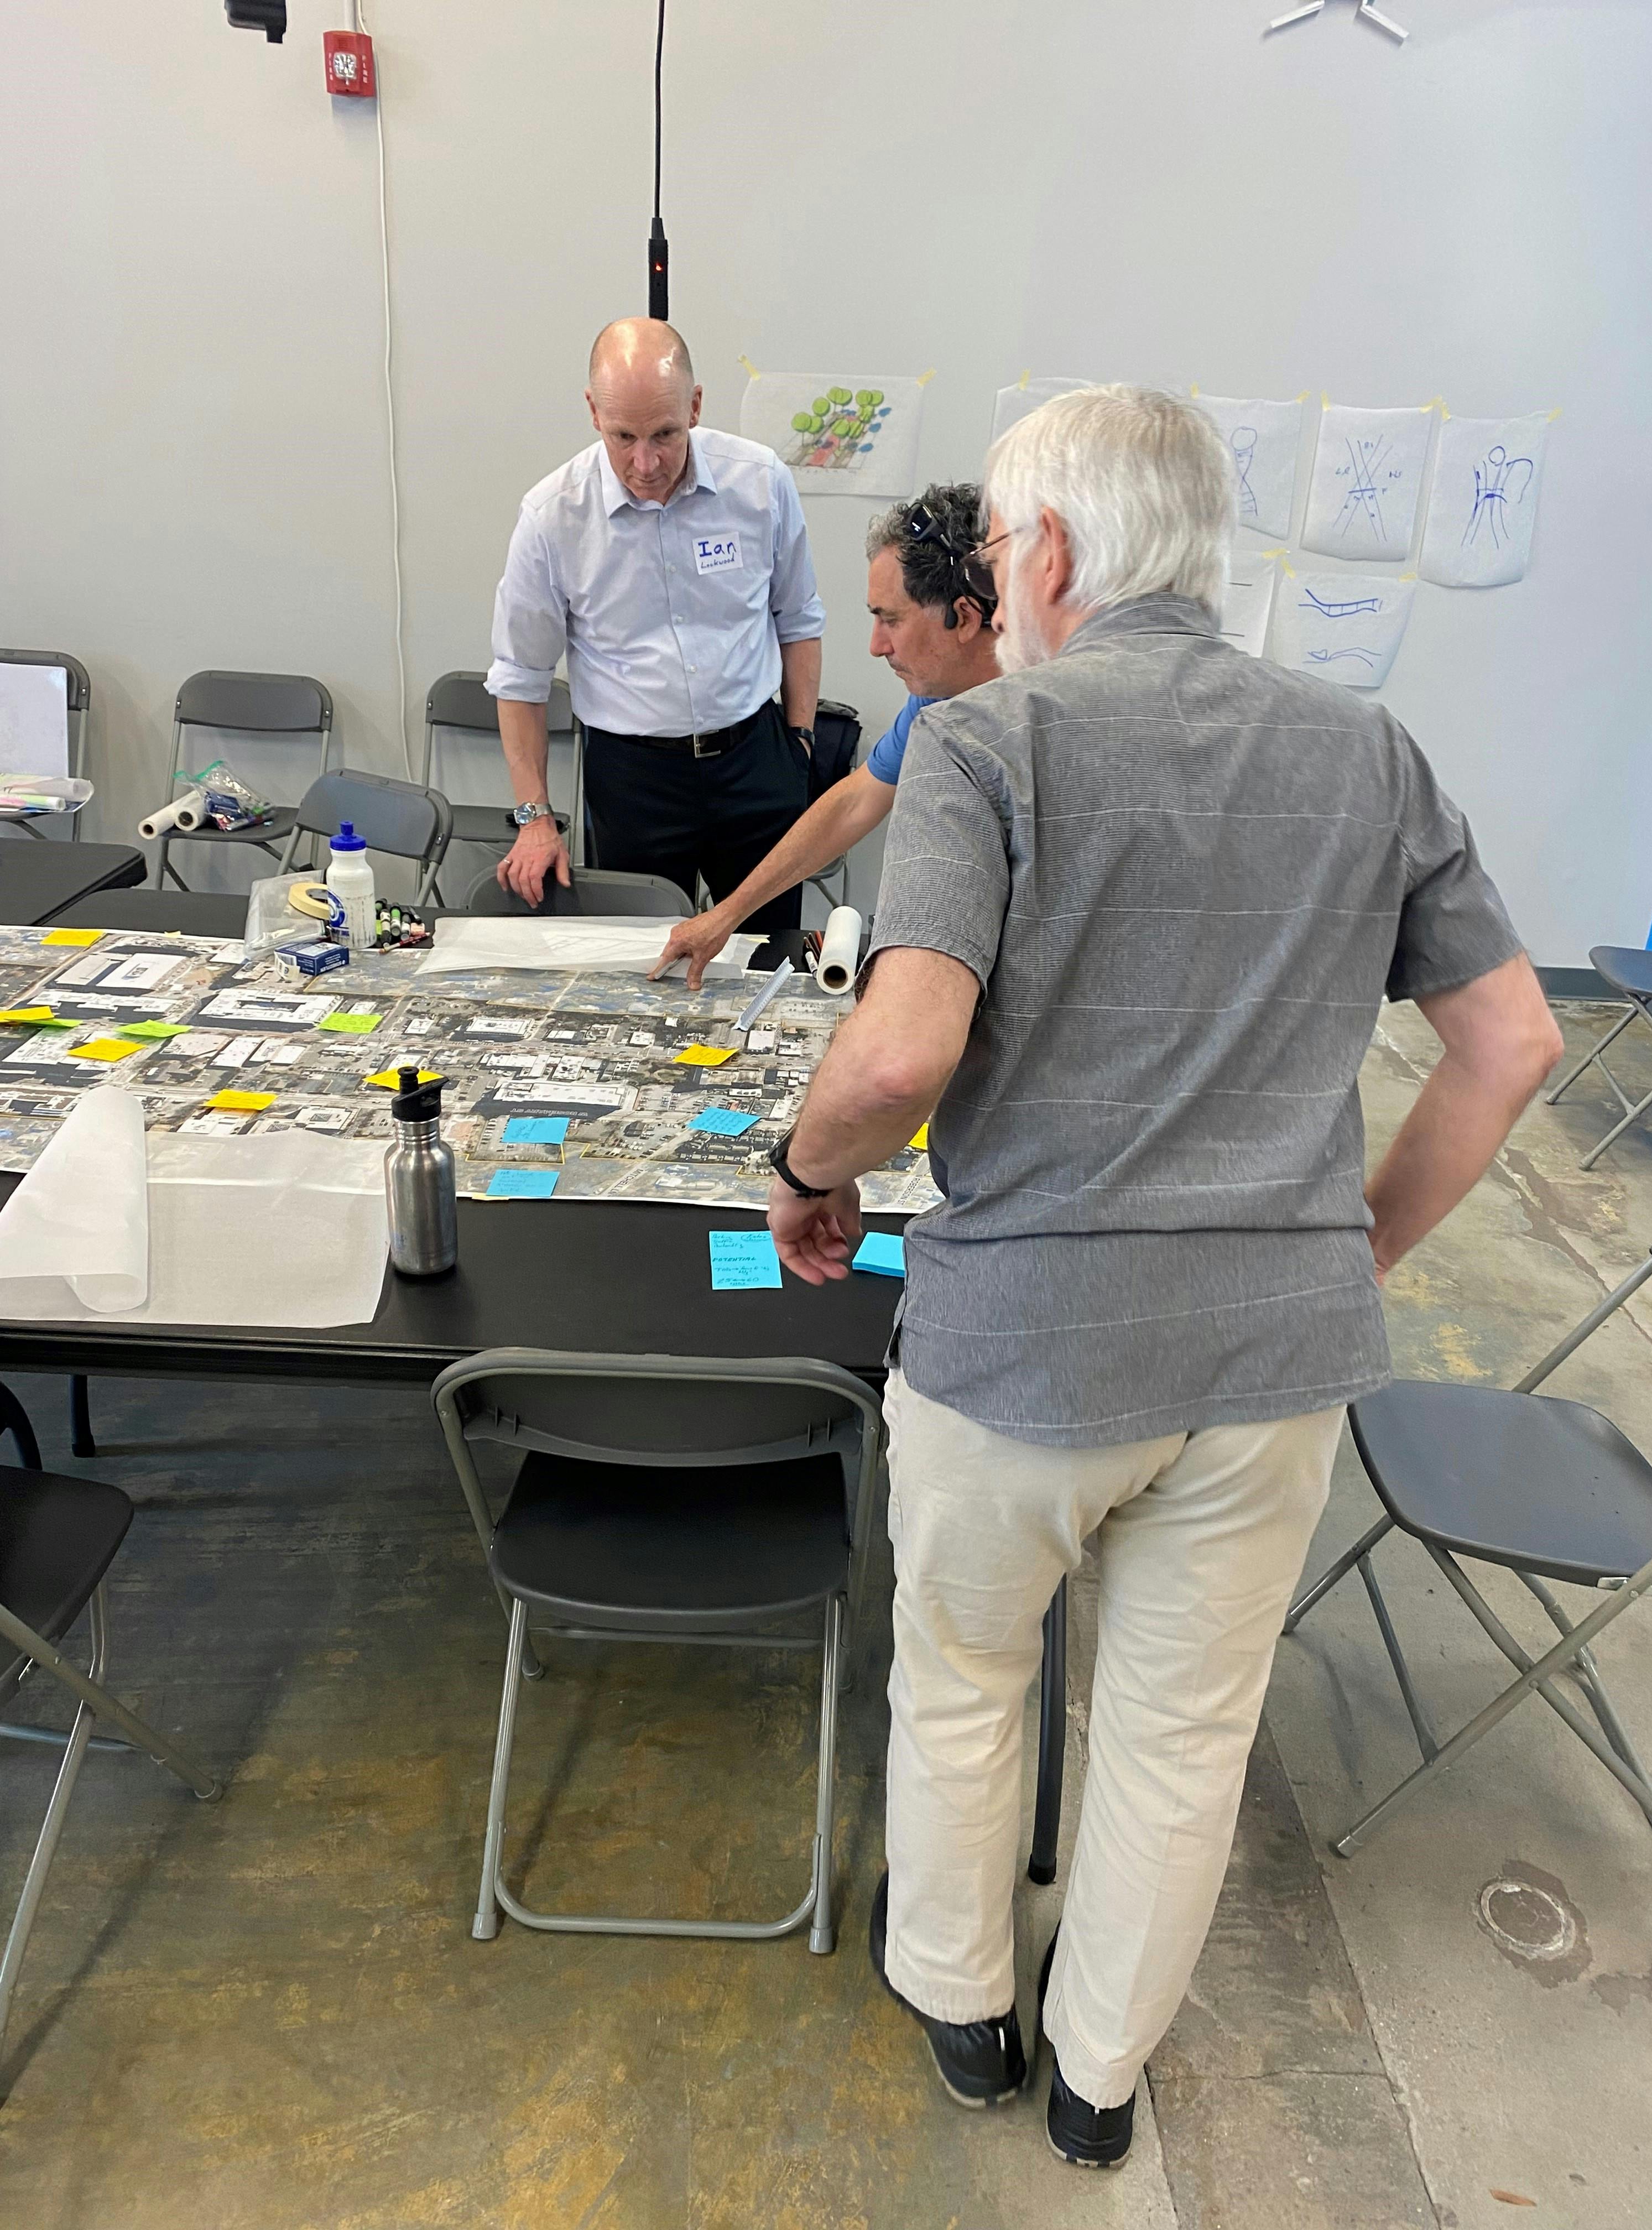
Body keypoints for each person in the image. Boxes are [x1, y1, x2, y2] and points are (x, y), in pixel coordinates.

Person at [763, 387, 1563, 2166]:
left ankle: (964, 2008)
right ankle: (1099, 2078)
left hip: (1023, 1350)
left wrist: (805, 1174)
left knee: (969, 1681)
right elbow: (1508, 1043)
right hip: (1269, 1364)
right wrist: (1348, 1246)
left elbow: (896, 1063)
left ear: (1047, 554)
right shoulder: (1370, 750)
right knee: (1181, 1735)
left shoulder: (986, 745)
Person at [486, 318, 825, 923]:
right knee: (641, 962)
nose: (646, 463)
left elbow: (798, 618)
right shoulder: (553, 518)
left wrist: (799, 744)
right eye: (624, 437)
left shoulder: (761, 482)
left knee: (769, 953)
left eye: (665, 433)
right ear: (593, 413)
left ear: (695, 405)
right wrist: (533, 818)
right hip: (634, 780)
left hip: (755, 760)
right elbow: (520, 678)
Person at [652, 484, 1002, 988]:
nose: (876, 646)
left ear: (965, 617)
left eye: (891, 620)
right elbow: (855, 802)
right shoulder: (939, 695)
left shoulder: (1052, 708)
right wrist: (726, 915)